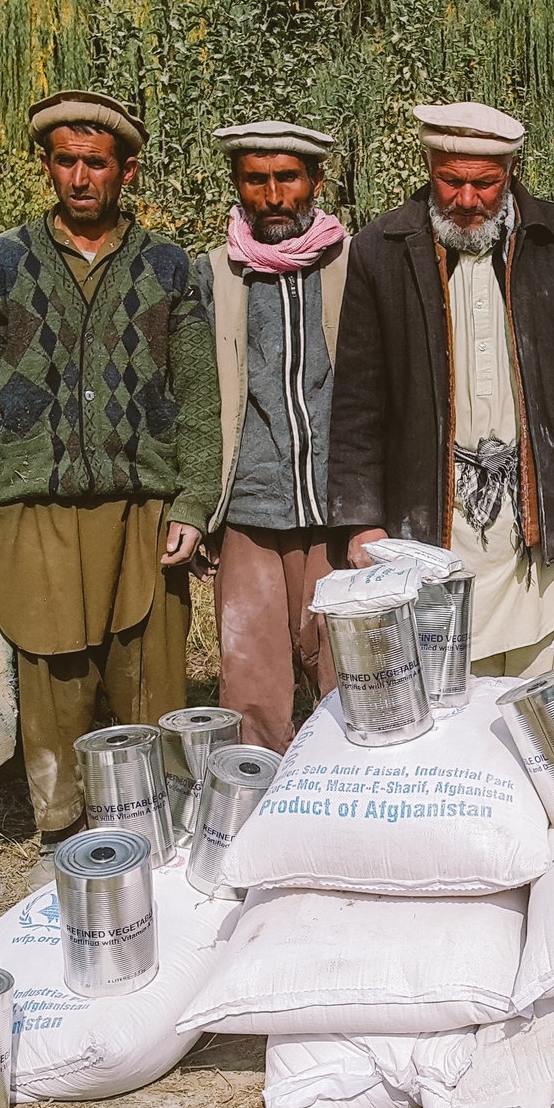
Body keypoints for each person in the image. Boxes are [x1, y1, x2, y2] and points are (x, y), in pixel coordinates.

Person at [0, 91, 221, 875]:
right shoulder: (5, 262)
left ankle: (152, 819)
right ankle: (61, 826)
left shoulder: (168, 265)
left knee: (145, 664)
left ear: (126, 170)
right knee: (52, 667)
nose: (80, 177)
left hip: (140, 499)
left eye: (96, 162)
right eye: (65, 161)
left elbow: (197, 393)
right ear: (48, 166)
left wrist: (191, 500)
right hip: (36, 499)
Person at [329, 103, 554, 677]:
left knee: (550, 715)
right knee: (448, 721)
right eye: (450, 181)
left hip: (540, 528)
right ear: (428, 166)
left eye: (485, 184)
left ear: (511, 171)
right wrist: (361, 520)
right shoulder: (380, 249)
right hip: (430, 525)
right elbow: (357, 400)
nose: (466, 200)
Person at [197, 121, 347, 750]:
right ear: (237, 186)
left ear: (314, 182)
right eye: (256, 180)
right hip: (251, 504)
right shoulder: (214, 274)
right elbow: (199, 400)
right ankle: (260, 813)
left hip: (339, 505)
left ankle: (348, 800)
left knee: (349, 672)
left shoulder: (352, 264)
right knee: (252, 684)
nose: (274, 195)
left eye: (288, 177)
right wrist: (200, 503)